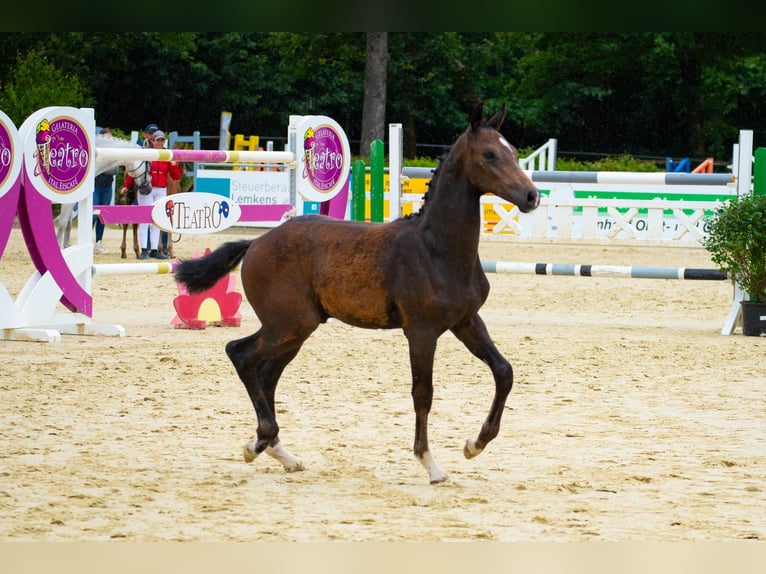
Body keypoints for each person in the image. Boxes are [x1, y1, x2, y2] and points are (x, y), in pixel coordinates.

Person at [119, 130, 181, 260]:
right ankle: (144, 250)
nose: (159, 142)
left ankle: (154, 249)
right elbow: (136, 172)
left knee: (156, 220)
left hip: (161, 190)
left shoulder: (167, 155)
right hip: (147, 189)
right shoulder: (145, 154)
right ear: (152, 141)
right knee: (144, 220)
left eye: (162, 140)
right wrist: (126, 185)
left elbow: (176, 176)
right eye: (157, 140)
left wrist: (174, 165)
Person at [93, 127, 117, 254]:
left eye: (110, 138)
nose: (109, 141)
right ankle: (86, 243)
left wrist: (102, 168)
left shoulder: (114, 153)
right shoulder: (96, 152)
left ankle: (98, 242)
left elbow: (115, 171)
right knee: (93, 215)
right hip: (96, 187)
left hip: (107, 187)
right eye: (106, 138)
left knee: (102, 216)